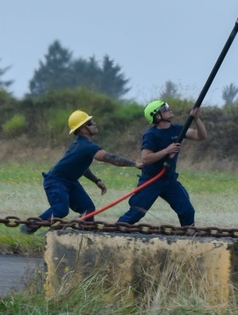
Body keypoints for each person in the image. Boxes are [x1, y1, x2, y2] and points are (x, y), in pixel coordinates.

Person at [20, 109, 138, 233]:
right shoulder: (86, 146)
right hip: (56, 181)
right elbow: (112, 159)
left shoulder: (81, 144)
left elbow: (81, 167)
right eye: (90, 122)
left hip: (70, 182)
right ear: (82, 129)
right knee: (60, 210)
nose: (94, 123)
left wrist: (96, 181)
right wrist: (135, 164)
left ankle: (85, 235)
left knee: (88, 208)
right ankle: (29, 228)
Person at [116, 99, 207, 228]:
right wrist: (166, 151)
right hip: (152, 180)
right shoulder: (151, 135)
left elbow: (201, 136)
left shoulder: (178, 129)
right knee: (137, 212)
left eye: (168, 107)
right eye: (165, 109)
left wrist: (197, 119)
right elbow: (146, 159)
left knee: (187, 211)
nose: (169, 109)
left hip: (169, 180)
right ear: (157, 116)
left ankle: (189, 236)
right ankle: (117, 230)